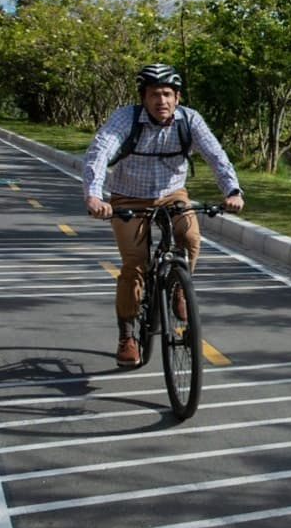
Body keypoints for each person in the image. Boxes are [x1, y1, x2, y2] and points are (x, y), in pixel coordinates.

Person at [83, 63, 244, 367]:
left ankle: (178, 288)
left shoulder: (189, 120)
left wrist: (233, 191)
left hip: (172, 194)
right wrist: (94, 194)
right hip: (128, 196)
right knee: (135, 266)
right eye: (155, 94)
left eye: (168, 94)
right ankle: (128, 336)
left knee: (190, 237)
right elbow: (99, 151)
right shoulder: (125, 119)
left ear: (178, 97)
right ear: (143, 97)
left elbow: (216, 155)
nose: (162, 101)